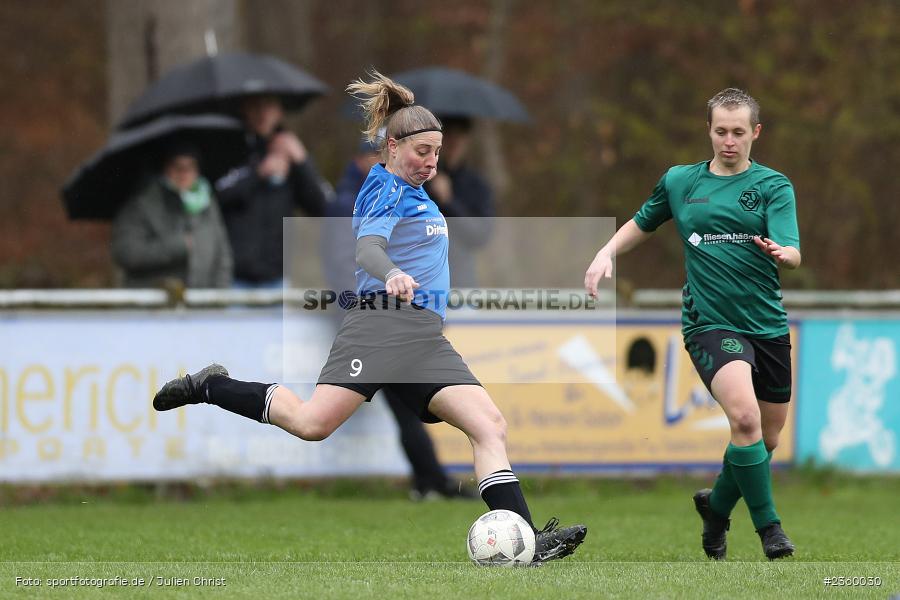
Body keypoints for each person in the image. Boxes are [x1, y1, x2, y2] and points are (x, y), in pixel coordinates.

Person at [153, 71, 587, 563]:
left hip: (423, 337)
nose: (432, 161)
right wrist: (393, 272)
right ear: (393, 146)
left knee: (489, 426)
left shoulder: (417, 192)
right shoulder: (384, 189)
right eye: (422, 151)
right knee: (312, 423)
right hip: (380, 327)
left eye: (437, 152)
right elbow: (367, 249)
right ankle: (211, 386)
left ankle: (527, 540)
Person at [584, 88, 799, 561]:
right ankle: (770, 529)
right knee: (744, 418)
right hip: (709, 323)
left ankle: (716, 507)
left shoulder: (773, 186)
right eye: (720, 131)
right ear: (708, 130)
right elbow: (643, 222)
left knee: (766, 439)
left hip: (766, 324)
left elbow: (792, 249)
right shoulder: (681, 181)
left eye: (738, 132)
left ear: (756, 132)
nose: (729, 141)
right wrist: (605, 252)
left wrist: (785, 254)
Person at [322, 138, 478, 501]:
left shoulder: (402, 195)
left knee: (409, 408)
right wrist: (365, 312)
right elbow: (348, 261)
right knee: (314, 422)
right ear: (363, 159)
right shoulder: (353, 201)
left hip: (398, 320)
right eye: (376, 156)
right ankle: (431, 481)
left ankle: (430, 480)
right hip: (377, 324)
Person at [215, 94, 328, 288]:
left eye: (269, 106)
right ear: (244, 109)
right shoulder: (228, 149)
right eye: (255, 105)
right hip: (234, 276)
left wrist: (301, 160)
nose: (262, 113)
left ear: (280, 111)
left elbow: (322, 208)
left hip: (277, 277)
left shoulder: (291, 155)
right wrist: (258, 174)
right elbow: (217, 199)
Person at [111, 141, 232, 289]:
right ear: (165, 168)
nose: (184, 174)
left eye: (190, 167)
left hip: (201, 299)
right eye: (178, 167)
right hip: (153, 299)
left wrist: (219, 293)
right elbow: (126, 253)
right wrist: (178, 246)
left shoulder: (207, 202)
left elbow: (223, 254)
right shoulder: (141, 204)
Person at [423, 117, 495, 288]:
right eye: (449, 136)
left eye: (459, 136)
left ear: (466, 140)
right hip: (422, 282)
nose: (454, 143)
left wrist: (449, 201)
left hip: (461, 283)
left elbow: (480, 236)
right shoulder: (420, 181)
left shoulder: (477, 185)